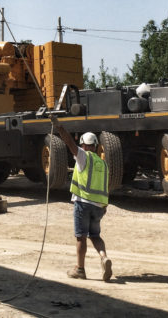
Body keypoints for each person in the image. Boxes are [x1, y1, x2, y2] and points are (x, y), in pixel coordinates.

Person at [51, 116, 113, 282]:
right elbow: (106, 187)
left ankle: (80, 269)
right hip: (99, 206)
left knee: (81, 236)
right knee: (95, 235)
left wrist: (59, 127)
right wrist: (104, 206)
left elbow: (69, 142)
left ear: (85, 146)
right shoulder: (103, 164)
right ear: (96, 146)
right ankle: (103, 257)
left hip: (83, 204)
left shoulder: (83, 156)